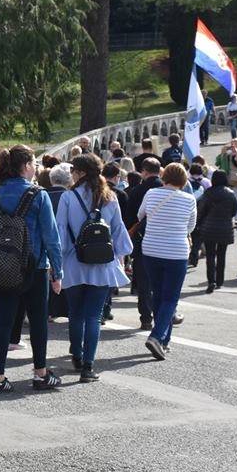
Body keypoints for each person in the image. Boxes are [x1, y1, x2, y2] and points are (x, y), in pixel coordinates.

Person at [0, 145, 63, 393]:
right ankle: (40, 374)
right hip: (34, 268)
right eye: (34, 162)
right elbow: (51, 237)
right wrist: (57, 272)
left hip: (2, 268)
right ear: (25, 166)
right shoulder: (38, 195)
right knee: (38, 321)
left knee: (2, 322)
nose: (35, 166)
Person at [57, 155, 132, 382]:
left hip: (73, 262)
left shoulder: (68, 197)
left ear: (79, 172)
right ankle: (88, 366)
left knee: (75, 314)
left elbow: (60, 230)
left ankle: (77, 355)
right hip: (102, 264)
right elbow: (118, 230)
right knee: (93, 315)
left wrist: (57, 261)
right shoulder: (110, 197)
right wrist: (121, 255)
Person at [137, 163, 197, 360]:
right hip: (176, 252)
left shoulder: (152, 193)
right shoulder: (189, 199)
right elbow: (191, 226)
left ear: (164, 176)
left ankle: (164, 340)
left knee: (158, 294)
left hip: (151, 249)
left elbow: (140, 215)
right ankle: (157, 336)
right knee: (171, 298)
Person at [125, 158, 163, 330]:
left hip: (142, 240)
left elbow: (131, 217)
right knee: (164, 281)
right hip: (165, 240)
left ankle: (146, 317)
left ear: (144, 171)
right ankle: (164, 314)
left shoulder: (137, 191)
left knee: (144, 282)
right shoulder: (167, 189)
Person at [196, 170, 237, 293]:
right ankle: (220, 279)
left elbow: (201, 210)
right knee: (222, 255)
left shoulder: (208, 193)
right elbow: (234, 211)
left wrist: (199, 224)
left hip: (209, 228)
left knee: (210, 255)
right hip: (225, 228)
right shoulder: (230, 194)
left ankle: (211, 281)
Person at [101, 163, 129, 323]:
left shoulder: (94, 192)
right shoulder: (119, 194)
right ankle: (106, 307)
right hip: (113, 238)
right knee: (111, 274)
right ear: (116, 176)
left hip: (95, 238)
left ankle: (104, 308)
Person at [45, 163, 72, 321]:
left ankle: (50, 310)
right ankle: (64, 308)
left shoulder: (42, 194)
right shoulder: (70, 196)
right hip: (65, 241)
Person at [216, 139, 237, 221]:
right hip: (227, 181)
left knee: (236, 201)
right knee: (226, 201)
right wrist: (223, 152)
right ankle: (228, 219)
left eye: (235, 144)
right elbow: (217, 163)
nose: (232, 146)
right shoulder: (226, 155)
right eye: (231, 144)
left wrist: (236, 152)